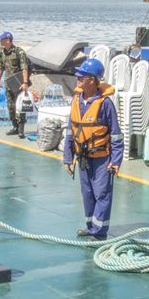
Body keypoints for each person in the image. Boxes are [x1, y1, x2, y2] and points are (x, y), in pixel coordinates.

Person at [62, 57, 123, 240]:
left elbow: (116, 135)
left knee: (102, 194)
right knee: (87, 194)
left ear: (93, 80)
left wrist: (116, 161)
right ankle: (91, 227)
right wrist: (68, 158)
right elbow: (71, 132)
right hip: (82, 158)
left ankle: (99, 232)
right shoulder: (76, 101)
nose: (78, 78)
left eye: (82, 76)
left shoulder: (105, 104)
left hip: (101, 159)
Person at [0, 31, 33, 138]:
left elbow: (25, 67)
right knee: (10, 106)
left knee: (20, 106)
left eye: (1, 39)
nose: (0, 41)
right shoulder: (2, 52)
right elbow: (0, 67)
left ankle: (21, 130)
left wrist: (25, 83)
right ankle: (15, 127)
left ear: (8, 40)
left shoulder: (19, 52)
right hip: (9, 83)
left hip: (19, 83)